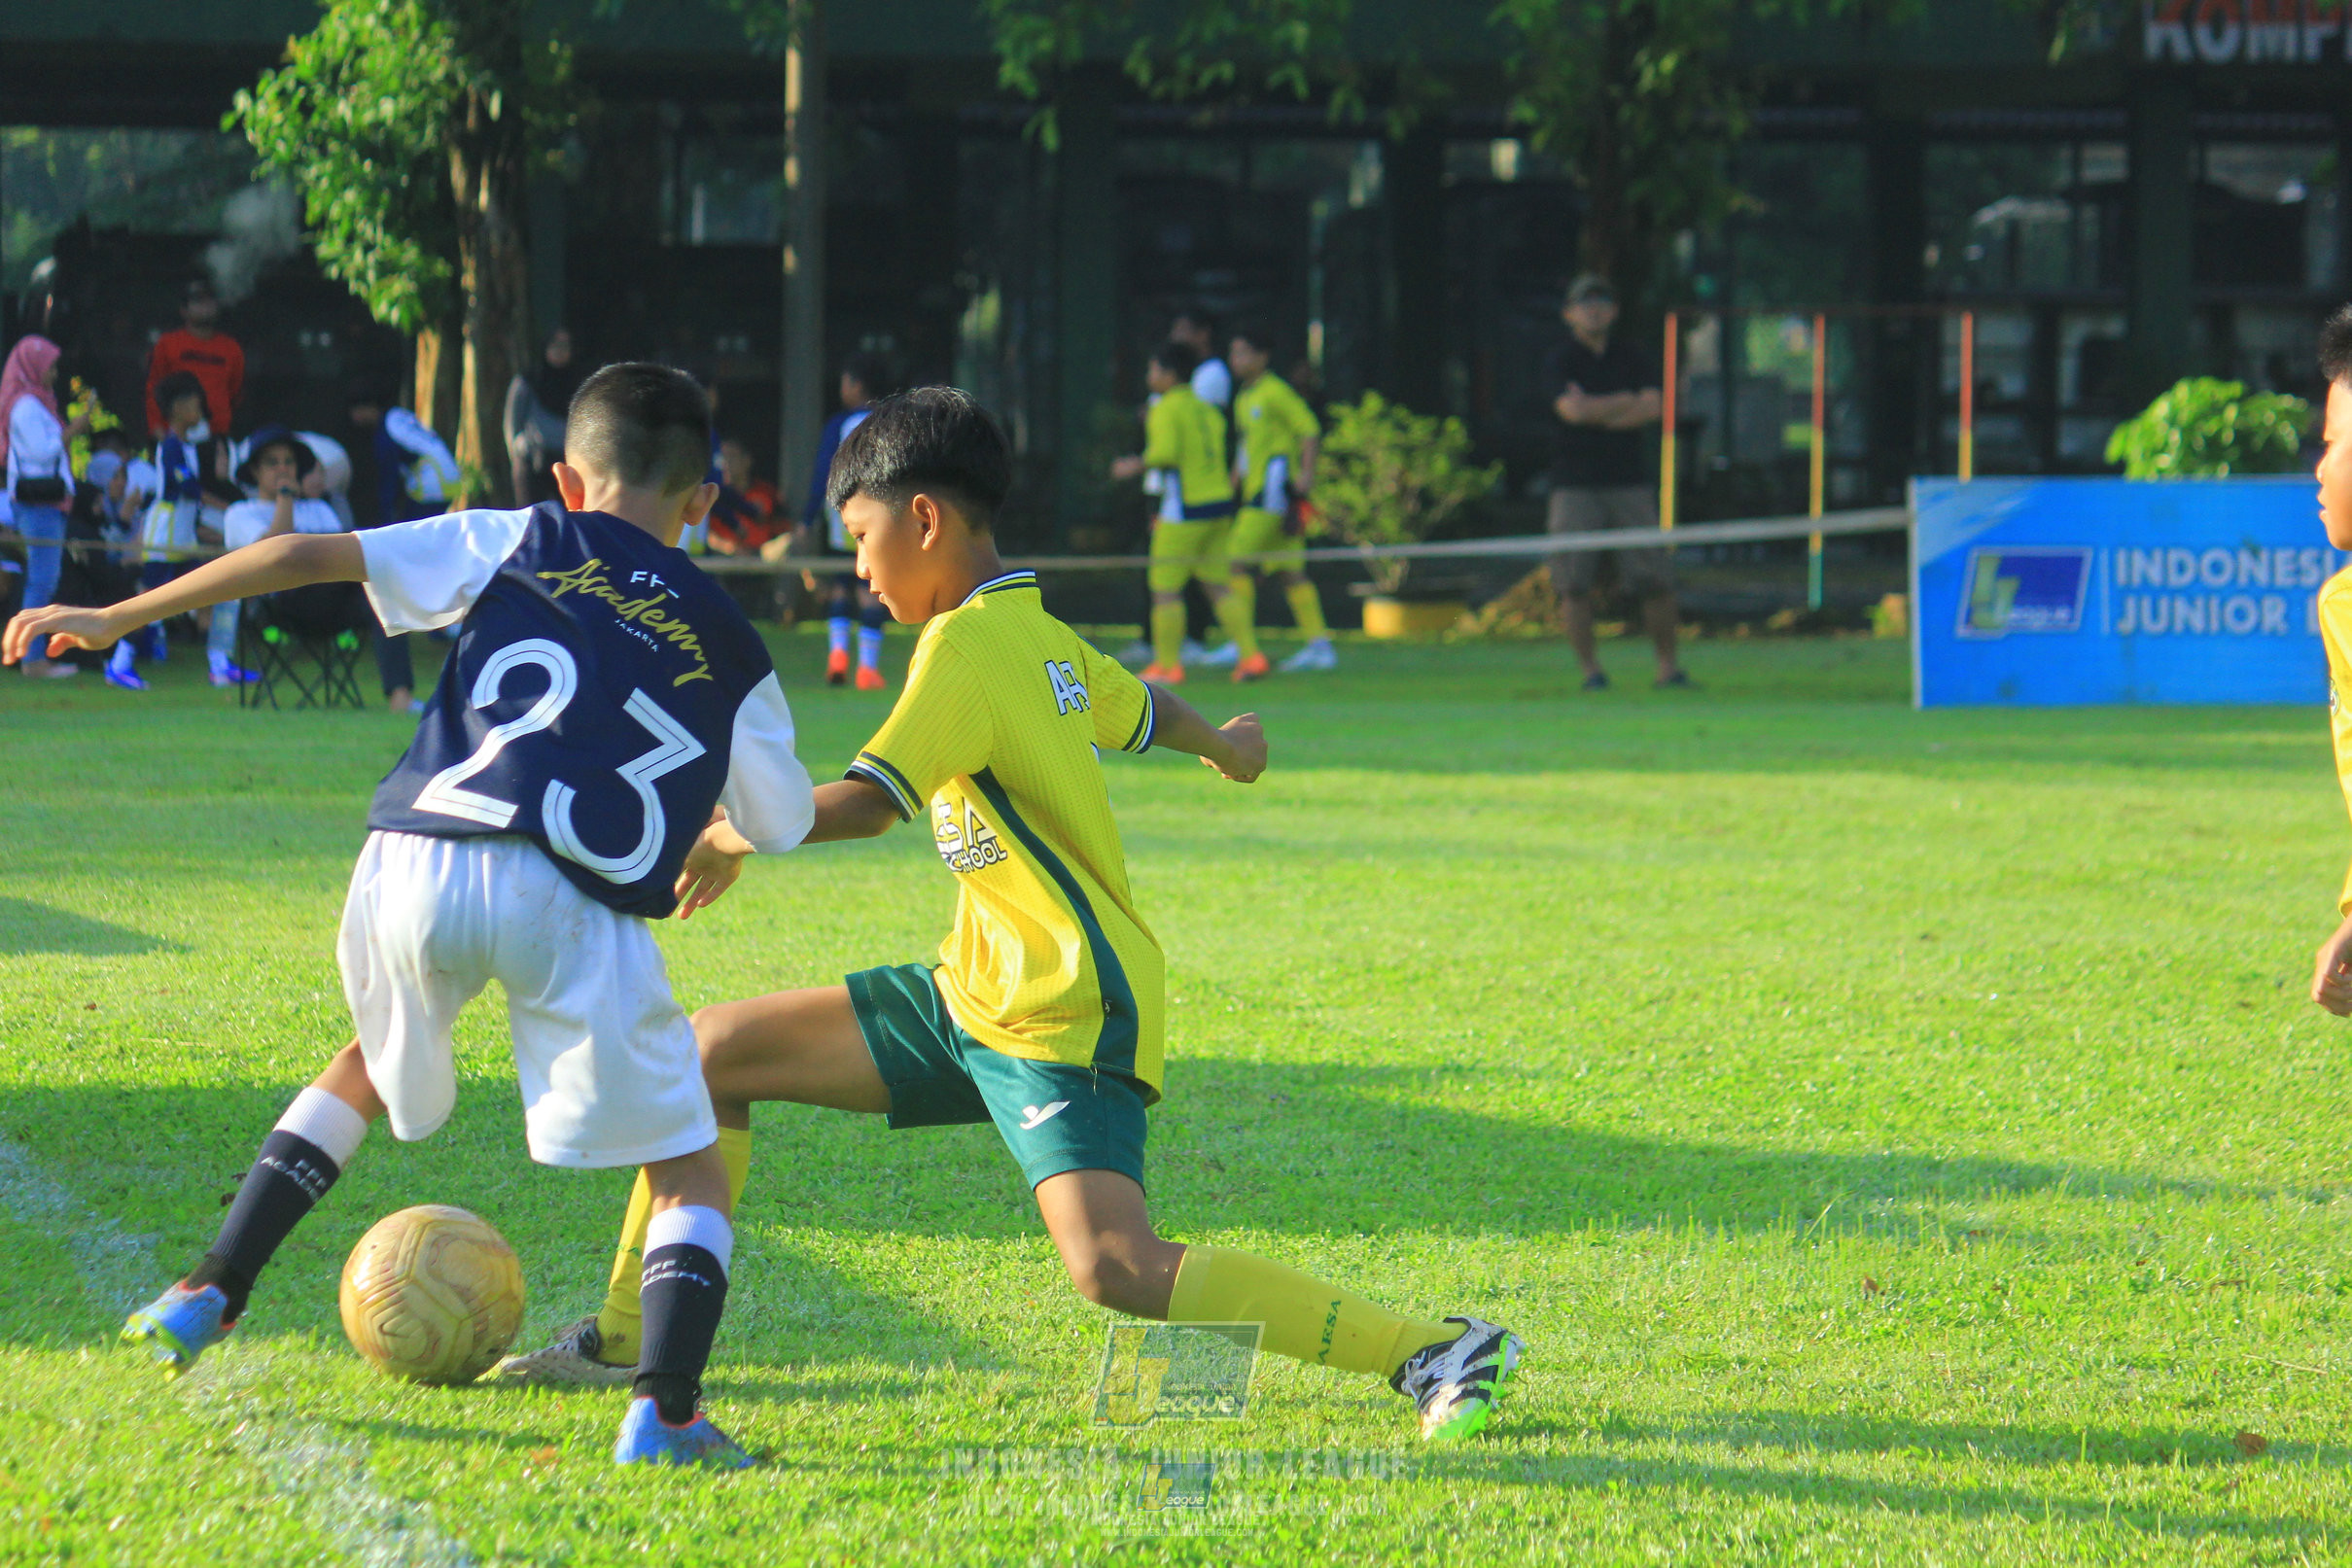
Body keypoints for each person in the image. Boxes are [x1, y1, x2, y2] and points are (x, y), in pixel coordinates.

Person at [495, 388, 1525, 1443]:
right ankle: (624, 1340)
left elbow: (868, 800)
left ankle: (1432, 1347)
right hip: (973, 985)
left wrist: (728, 832)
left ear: (925, 519)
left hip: (1059, 995)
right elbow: (1139, 703)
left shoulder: (967, 645)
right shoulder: (1036, 632)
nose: (856, 567)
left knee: (1113, 1264)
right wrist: (1223, 741)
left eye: (861, 537)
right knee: (710, 1052)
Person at [6, 363, 818, 1470]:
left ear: (568, 477)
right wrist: (716, 834)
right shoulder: (731, 639)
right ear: (703, 499)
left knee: (364, 1064)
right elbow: (777, 818)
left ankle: (210, 1287)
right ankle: (665, 1413)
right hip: (572, 900)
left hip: (413, 857)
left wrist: (118, 612)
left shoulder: (522, 535)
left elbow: (304, 554)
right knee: (686, 1165)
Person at [1545, 274, 1688, 690]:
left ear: (1615, 310)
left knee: (1656, 577)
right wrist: (1624, 403)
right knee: (1573, 582)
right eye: (1585, 302)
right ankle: (1591, 673)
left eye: (1602, 301)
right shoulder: (1559, 360)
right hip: (1573, 484)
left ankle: (1668, 669)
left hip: (1630, 483)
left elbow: (1656, 407)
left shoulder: (1635, 356)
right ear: (1569, 313)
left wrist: (1596, 407)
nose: (1595, 309)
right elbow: (1571, 413)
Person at [1109, 341, 1261, 684]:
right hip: (1219, 504)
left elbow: (1165, 452)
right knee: (1218, 584)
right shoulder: (1206, 407)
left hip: (1184, 509)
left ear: (1168, 374)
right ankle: (1251, 657)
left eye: (1153, 370)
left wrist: (1132, 465)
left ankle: (1167, 665)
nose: (1150, 377)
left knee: (1165, 588)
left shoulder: (1165, 407)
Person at [1226, 324, 1334, 674]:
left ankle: (1239, 643)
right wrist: (1235, 477)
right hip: (1258, 493)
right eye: (1233, 352)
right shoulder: (1245, 396)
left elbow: (1309, 429)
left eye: (1242, 352)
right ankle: (1320, 646)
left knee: (1232, 563)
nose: (1236, 360)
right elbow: (1246, 446)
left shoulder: (1275, 392)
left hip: (1270, 495)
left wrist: (1306, 474)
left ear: (1262, 357)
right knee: (1290, 571)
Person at [799, 352, 895, 689]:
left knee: (840, 583)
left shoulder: (840, 424)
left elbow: (824, 470)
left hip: (843, 516)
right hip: (882, 515)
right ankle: (867, 669)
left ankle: (837, 655)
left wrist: (808, 516)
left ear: (856, 385)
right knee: (872, 586)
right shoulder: (890, 421)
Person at [2, 333, 88, 680]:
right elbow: (40, 452)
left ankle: (30, 655)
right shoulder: (25, 405)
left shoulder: (38, 402)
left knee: (42, 580)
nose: (54, 374)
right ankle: (32, 660)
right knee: (41, 581)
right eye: (51, 366)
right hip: (39, 504)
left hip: (47, 505)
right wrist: (74, 430)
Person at [143, 278, 243, 440]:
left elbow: (235, 393)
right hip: (174, 437)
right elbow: (153, 388)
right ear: (184, 310)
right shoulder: (167, 344)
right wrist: (157, 429)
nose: (206, 305)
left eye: (210, 299)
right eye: (198, 300)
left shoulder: (232, 348)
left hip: (217, 438)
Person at [504, 327, 580, 506]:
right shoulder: (528, 381)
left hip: (567, 465)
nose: (560, 350)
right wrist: (518, 452)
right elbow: (512, 425)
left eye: (565, 345)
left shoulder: (579, 383)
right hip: (533, 463)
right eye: (556, 345)